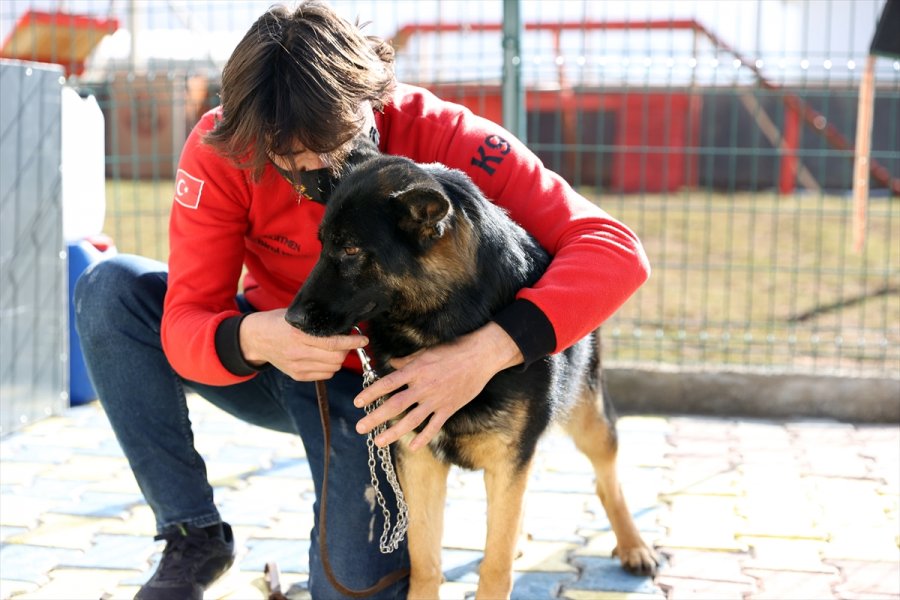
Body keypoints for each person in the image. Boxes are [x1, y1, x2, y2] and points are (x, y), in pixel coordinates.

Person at [74, 1, 651, 599]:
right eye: (289, 159)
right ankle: (192, 537)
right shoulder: (226, 146)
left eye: (331, 147)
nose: (312, 171)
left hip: (381, 393)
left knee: (354, 590)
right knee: (108, 290)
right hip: (272, 360)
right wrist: (257, 337)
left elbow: (616, 251)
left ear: (369, 99)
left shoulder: (445, 135)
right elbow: (185, 322)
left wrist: (483, 355)